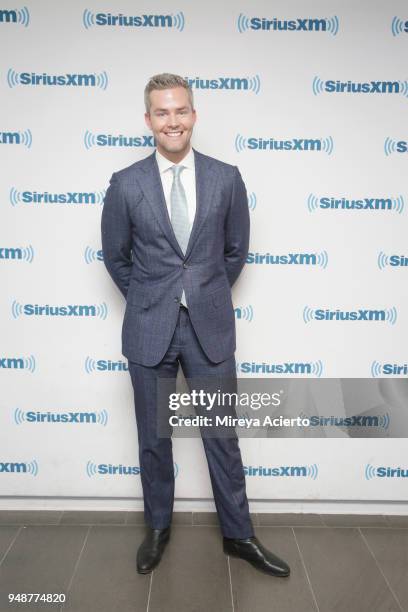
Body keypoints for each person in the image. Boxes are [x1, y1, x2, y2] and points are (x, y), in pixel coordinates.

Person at [101, 73, 290, 577]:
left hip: (208, 328)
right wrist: (151, 300)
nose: (172, 121)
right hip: (148, 329)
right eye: (161, 113)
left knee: (221, 435)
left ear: (194, 114)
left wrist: (200, 296)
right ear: (148, 120)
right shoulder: (126, 184)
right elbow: (115, 257)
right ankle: (158, 527)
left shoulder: (227, 177)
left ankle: (239, 535)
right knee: (152, 438)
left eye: (180, 110)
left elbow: (235, 252)